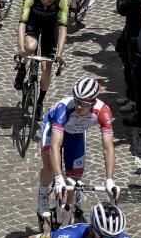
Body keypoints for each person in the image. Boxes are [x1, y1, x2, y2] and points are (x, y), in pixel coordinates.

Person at [38, 77, 118, 219]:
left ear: (93, 102)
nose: (78, 106)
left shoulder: (103, 111)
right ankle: (43, 194)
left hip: (76, 134)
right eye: (76, 100)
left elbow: (108, 148)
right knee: (50, 168)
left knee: (73, 179)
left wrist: (109, 179)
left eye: (83, 103)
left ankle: (68, 210)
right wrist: (58, 178)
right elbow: (55, 146)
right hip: (53, 130)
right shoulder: (64, 108)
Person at [14, 0, 68, 112]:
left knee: (47, 67)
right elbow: (22, 24)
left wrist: (60, 54)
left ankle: (39, 102)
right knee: (30, 46)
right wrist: (21, 49)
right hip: (34, 22)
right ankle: (22, 68)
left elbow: (63, 29)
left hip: (51, 27)